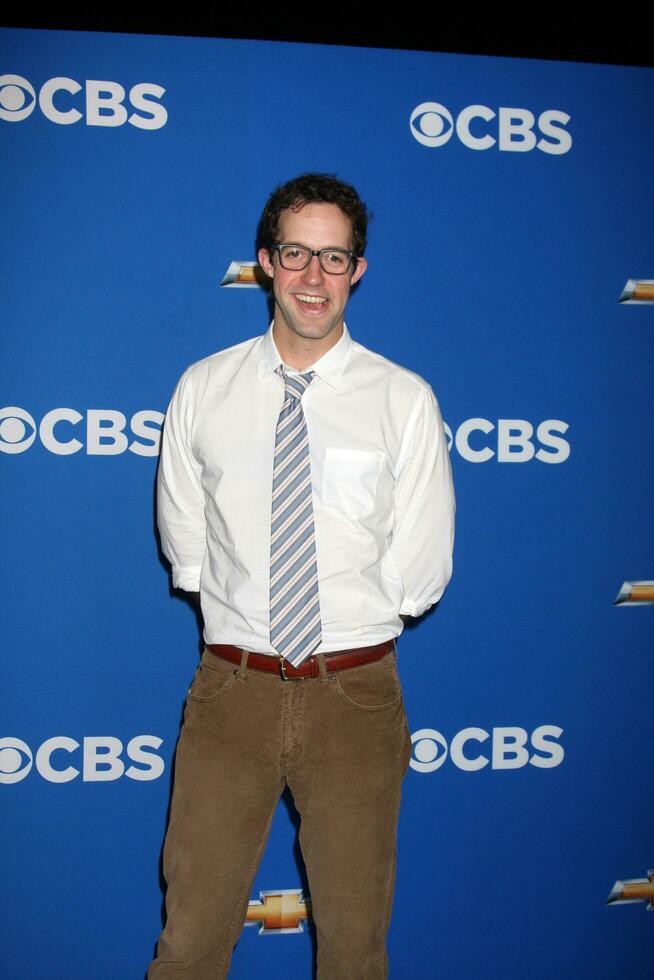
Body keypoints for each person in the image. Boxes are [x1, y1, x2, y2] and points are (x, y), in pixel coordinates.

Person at [149, 173, 455, 979]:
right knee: (188, 944)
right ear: (264, 262)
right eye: (296, 254)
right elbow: (186, 536)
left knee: (354, 949)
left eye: (333, 256)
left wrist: (351, 627)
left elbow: (421, 564)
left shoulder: (403, 399)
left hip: (355, 697)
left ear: (357, 269)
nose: (313, 277)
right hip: (231, 691)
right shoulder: (203, 388)